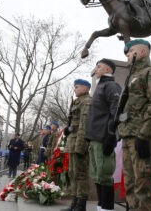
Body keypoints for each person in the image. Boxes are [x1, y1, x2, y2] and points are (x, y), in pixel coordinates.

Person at [118, 39, 151, 210]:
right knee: (130, 184)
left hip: (142, 136)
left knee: (144, 185)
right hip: (128, 135)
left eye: (131, 51)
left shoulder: (150, 73)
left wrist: (144, 134)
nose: (127, 54)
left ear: (143, 52)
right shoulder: (131, 78)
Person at [85, 59, 122, 211]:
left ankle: (107, 208)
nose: (96, 69)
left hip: (103, 137)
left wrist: (111, 136)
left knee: (105, 174)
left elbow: (116, 111)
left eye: (99, 66)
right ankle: (101, 206)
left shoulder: (111, 86)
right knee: (97, 174)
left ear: (108, 70)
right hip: (94, 138)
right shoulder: (100, 86)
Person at [61, 79, 92, 211]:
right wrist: (69, 129)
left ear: (86, 88)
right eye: (75, 87)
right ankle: (74, 202)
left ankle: (81, 205)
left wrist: (80, 145)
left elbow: (84, 125)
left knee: (80, 174)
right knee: (73, 173)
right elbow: (75, 124)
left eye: (77, 87)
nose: (75, 89)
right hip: (72, 142)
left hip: (80, 143)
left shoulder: (87, 101)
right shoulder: (78, 102)